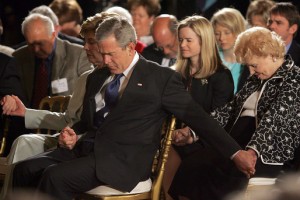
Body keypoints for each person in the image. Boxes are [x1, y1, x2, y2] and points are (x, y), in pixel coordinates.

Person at [12, 15, 254, 200]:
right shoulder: (99, 76)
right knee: (24, 169)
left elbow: (199, 118)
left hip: (122, 161)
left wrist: (235, 153)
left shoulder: (160, 79)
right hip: (85, 149)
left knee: (54, 178)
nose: (105, 61)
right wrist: (72, 133)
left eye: (111, 54)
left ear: (130, 47)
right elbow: (84, 122)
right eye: (102, 54)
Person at [169, 26, 300, 200]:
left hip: (266, 147)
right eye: (249, 66)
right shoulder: (257, 77)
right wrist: (194, 132)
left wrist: (253, 152)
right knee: (193, 165)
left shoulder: (294, 78)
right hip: (236, 138)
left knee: (221, 174)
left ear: (272, 55)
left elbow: (274, 119)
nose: (251, 72)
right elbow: (229, 109)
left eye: (254, 65)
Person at [0, 12, 115, 199]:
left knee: (34, 158)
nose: (85, 47)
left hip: (91, 147)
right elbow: (68, 120)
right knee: (23, 142)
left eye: (91, 42)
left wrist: (75, 137)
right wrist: (26, 113)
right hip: (67, 137)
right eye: (85, 41)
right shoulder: (87, 77)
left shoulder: (121, 79)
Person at [162, 15, 234, 199]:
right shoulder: (176, 73)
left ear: (204, 41)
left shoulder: (221, 76)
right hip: (175, 137)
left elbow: (220, 118)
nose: (183, 44)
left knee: (186, 165)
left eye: (188, 40)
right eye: (180, 40)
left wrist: (191, 133)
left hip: (207, 141)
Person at [5, 13, 92, 156]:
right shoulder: (18, 57)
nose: (36, 49)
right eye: (31, 44)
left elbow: (75, 115)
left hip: (66, 130)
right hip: (27, 125)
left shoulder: (79, 55)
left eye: (40, 43)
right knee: (21, 143)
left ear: (54, 33)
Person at [211, 7, 249, 94]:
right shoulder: (211, 59)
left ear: (239, 31)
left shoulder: (249, 61)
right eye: (217, 34)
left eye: (227, 32)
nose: (221, 38)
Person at [268, 2, 300, 67]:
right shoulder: (258, 52)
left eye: (278, 23)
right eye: (270, 22)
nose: (272, 26)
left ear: (293, 29)